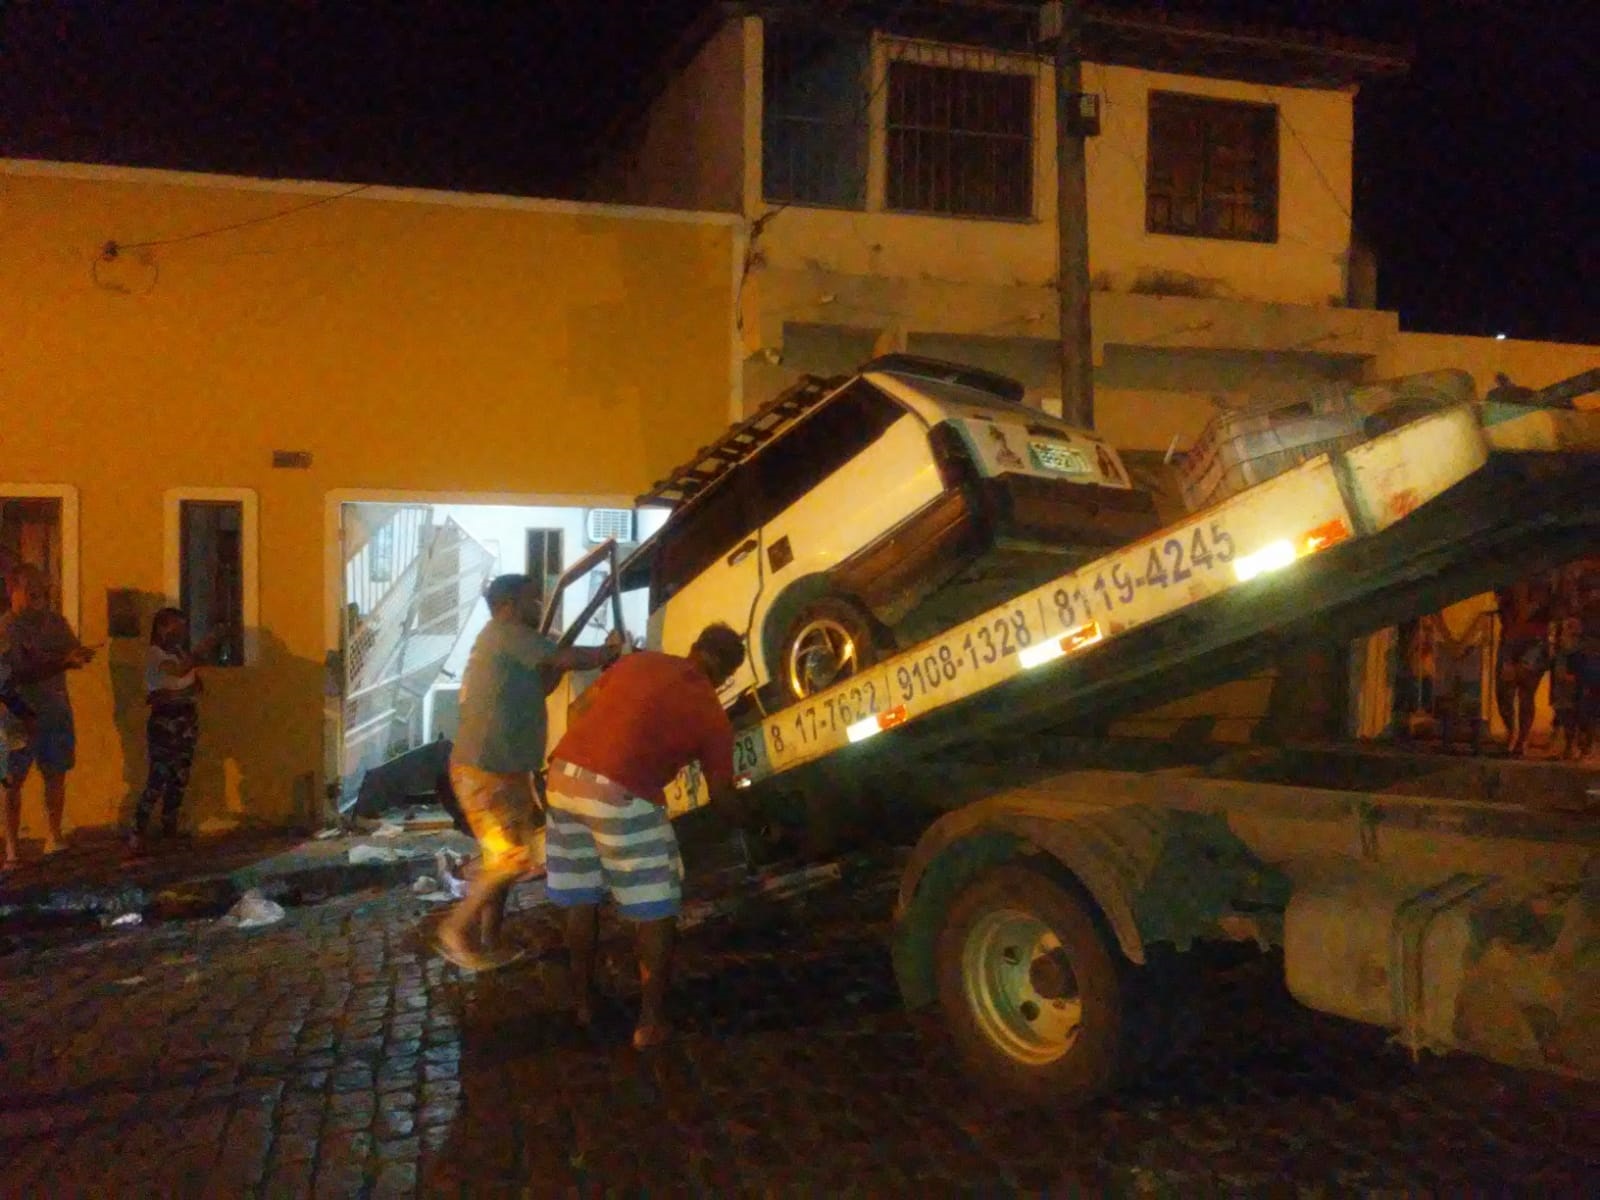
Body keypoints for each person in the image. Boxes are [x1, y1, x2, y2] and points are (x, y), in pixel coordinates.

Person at [544, 622, 745, 1050]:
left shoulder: (638, 663)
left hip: (563, 778)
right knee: (654, 907)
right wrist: (746, 822)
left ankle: (582, 1002)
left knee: (580, 897)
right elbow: (722, 794)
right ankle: (649, 1023)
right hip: (622, 793)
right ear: (727, 673)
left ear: (692, 647)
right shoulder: (711, 713)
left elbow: (580, 711)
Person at [435, 573, 621, 972]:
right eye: (532, 600)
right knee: (507, 861)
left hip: (505, 769)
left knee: (509, 859)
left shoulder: (506, 644)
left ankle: (488, 941)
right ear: (508, 604)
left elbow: (545, 681)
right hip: (485, 770)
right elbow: (561, 658)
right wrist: (607, 653)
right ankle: (454, 931)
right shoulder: (505, 633)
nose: (538, 608)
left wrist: (584, 655)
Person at [0, 564, 95, 865]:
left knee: (55, 773)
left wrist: (78, 656)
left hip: (54, 709)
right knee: (13, 779)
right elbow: (16, 674)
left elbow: (71, 651)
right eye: (29, 591)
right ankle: (12, 844)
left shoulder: (55, 623)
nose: (36, 597)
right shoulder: (6, 629)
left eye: (40, 591)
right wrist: (62, 663)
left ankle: (54, 835)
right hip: (18, 713)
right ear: (12, 591)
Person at [127, 608, 223, 856]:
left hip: (185, 719)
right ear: (161, 629)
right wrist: (204, 648)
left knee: (179, 777)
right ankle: (138, 829)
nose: (181, 633)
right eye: (176, 628)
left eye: (183, 628)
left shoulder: (179, 653)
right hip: (165, 721)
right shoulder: (155, 655)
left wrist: (184, 690)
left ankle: (169, 827)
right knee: (158, 777)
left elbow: (194, 684)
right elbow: (176, 675)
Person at [1494, 576, 1554, 756]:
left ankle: (1522, 739)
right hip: (1510, 638)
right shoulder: (1505, 582)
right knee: (1503, 690)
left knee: (1526, 690)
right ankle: (1512, 731)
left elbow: (1533, 611)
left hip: (1534, 640)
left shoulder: (1542, 582)